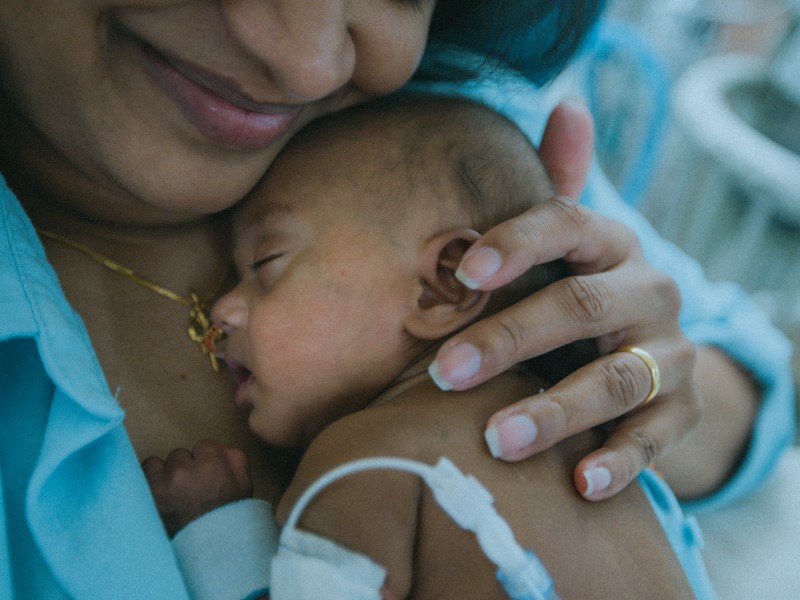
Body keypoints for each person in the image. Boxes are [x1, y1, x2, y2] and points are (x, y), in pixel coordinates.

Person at [0, 1, 793, 598]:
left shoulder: (434, 130)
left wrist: (626, 392)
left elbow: (765, 379)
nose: (307, 60)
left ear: (452, 280)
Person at [143, 94, 712, 599]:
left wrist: (215, 529)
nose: (223, 311)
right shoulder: (601, 450)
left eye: (266, 265)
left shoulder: (364, 460)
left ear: (443, 285)